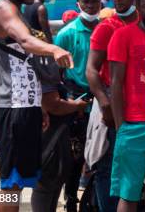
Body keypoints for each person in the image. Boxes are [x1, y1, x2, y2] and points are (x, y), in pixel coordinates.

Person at [0, 0, 73, 212]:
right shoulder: (4, 10)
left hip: (26, 107)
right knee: (11, 186)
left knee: (19, 183)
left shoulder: (17, 10)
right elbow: (25, 41)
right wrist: (54, 48)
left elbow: (24, 64)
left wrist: (39, 106)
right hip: (13, 110)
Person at [108, 0, 145, 212]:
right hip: (134, 126)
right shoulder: (123, 36)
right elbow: (115, 85)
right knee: (129, 194)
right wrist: (121, 127)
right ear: (138, 7)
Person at [86, 0, 138, 212]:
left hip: (141, 103)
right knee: (108, 163)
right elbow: (91, 69)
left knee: (137, 165)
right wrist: (105, 103)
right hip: (112, 103)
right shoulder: (106, 27)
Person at [55, 0, 102, 212]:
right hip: (77, 98)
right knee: (75, 154)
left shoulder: (107, 28)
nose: (91, 5)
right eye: (86, 1)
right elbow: (56, 72)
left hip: (103, 96)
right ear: (78, 4)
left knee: (102, 151)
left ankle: (95, 198)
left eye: (94, 1)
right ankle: (71, 199)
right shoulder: (66, 34)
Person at [30, 78, 89, 212]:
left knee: (52, 187)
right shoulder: (43, 66)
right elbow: (52, 104)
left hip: (55, 141)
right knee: (45, 187)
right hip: (48, 142)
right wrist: (76, 105)